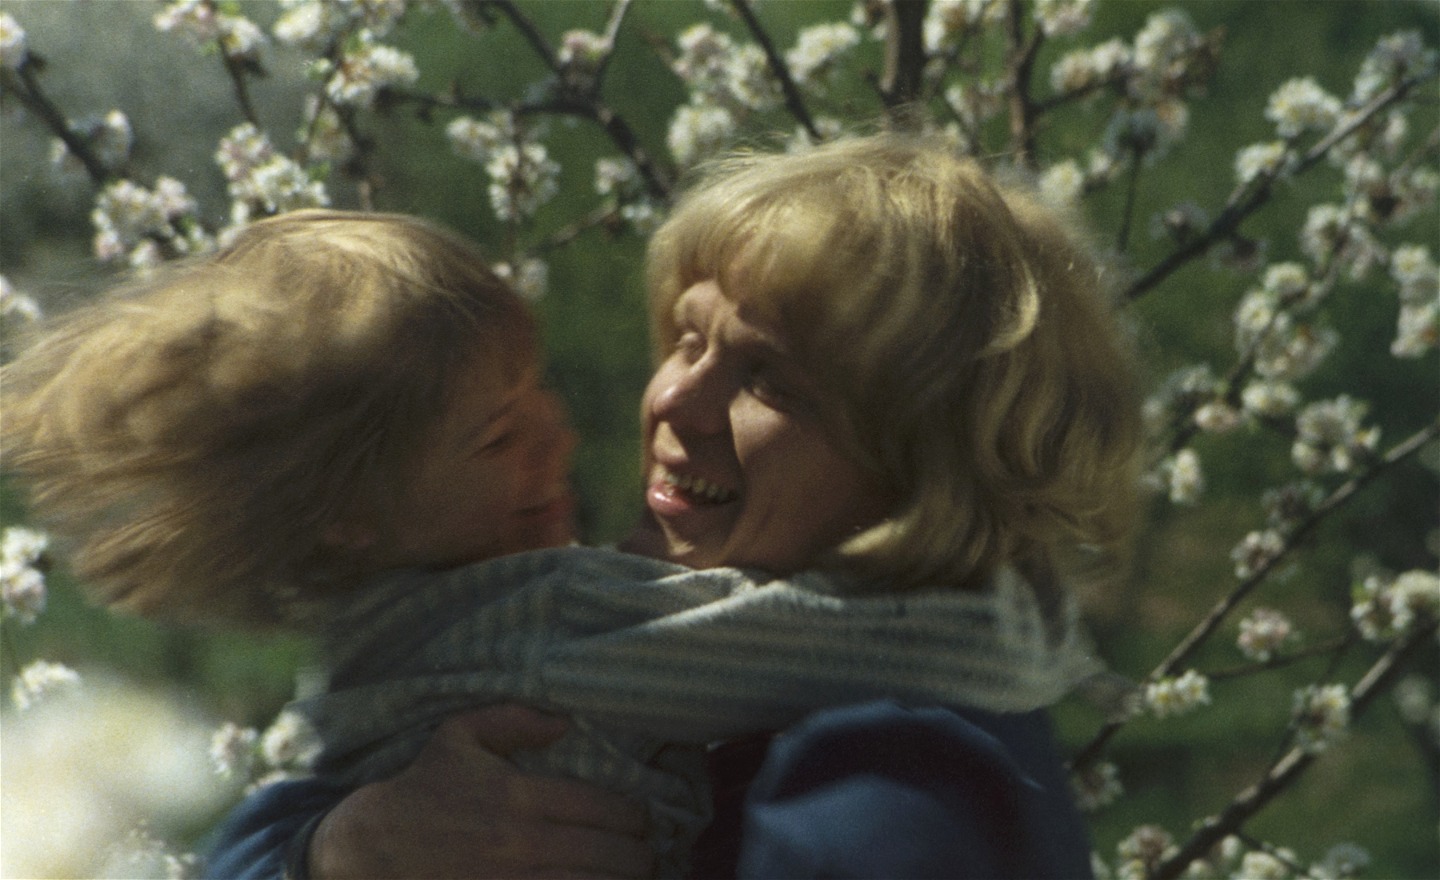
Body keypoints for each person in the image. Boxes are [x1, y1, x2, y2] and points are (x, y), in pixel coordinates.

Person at [3, 167, 1138, 879]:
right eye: (686, 338)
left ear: (924, 462)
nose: (672, 402)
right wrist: (343, 848)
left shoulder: (900, 786)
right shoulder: (655, 657)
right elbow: (285, 815)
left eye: (768, 379)